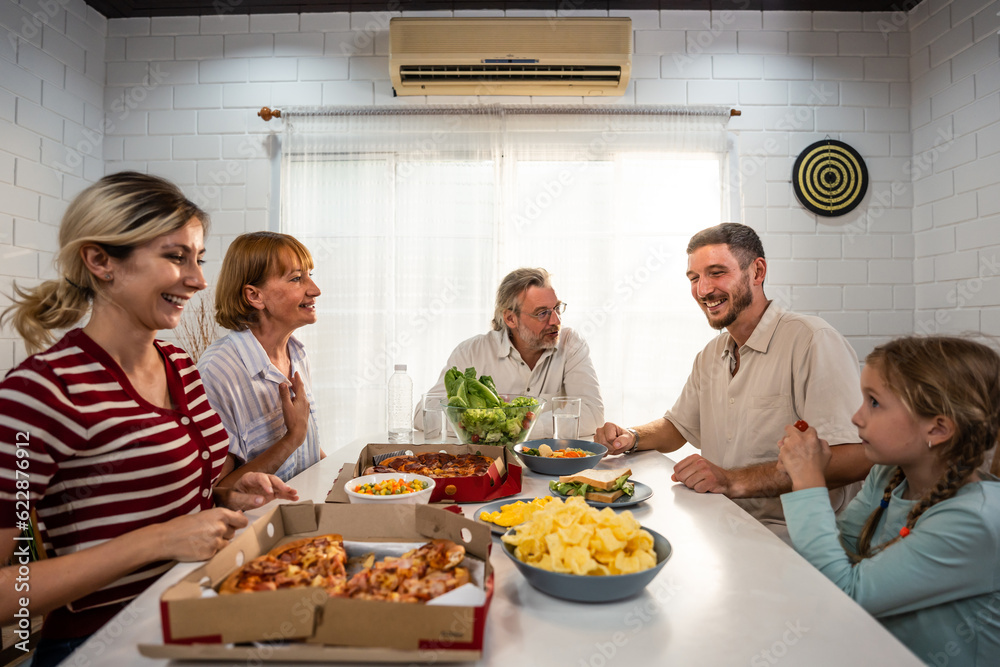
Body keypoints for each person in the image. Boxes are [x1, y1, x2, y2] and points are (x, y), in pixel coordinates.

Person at [0, 172, 297, 667]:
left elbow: (172, 494)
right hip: (103, 642)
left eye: (198, 259)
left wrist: (225, 492)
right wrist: (157, 541)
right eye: (175, 256)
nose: (199, 279)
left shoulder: (178, 365)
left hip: (197, 614)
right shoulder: (40, 392)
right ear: (100, 260)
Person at [596, 223, 871, 538]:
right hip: (722, 523)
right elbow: (677, 428)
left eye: (716, 272)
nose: (703, 290)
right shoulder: (711, 354)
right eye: (694, 278)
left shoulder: (812, 340)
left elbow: (856, 458)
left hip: (794, 537)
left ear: (757, 271)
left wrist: (731, 480)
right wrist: (629, 437)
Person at [778, 336, 1000, 665]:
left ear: (938, 429)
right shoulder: (889, 476)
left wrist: (809, 481)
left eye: (874, 403)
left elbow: (844, 593)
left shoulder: (973, 520)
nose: (857, 417)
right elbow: (841, 553)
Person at [417, 267, 604, 438]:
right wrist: (496, 425)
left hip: (549, 467)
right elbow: (423, 415)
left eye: (556, 308)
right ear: (510, 318)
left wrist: (514, 427)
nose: (555, 320)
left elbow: (593, 416)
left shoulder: (570, 344)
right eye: (542, 313)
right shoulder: (471, 352)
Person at [198, 232, 324, 482]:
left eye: (310, 275)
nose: (315, 290)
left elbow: (308, 455)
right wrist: (293, 438)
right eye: (297, 279)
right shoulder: (217, 372)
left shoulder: (297, 354)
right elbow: (219, 493)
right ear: (255, 296)